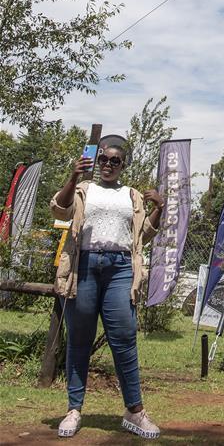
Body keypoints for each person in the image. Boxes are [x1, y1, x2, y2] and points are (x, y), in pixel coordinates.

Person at [52, 138, 165, 439]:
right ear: (97, 160)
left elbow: (146, 233)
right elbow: (59, 210)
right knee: (79, 339)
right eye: (104, 159)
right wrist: (73, 176)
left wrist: (160, 208)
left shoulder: (132, 195)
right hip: (84, 266)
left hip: (120, 269)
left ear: (123, 165)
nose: (108, 165)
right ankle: (74, 410)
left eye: (115, 161)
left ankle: (135, 412)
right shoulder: (84, 189)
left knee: (125, 339)